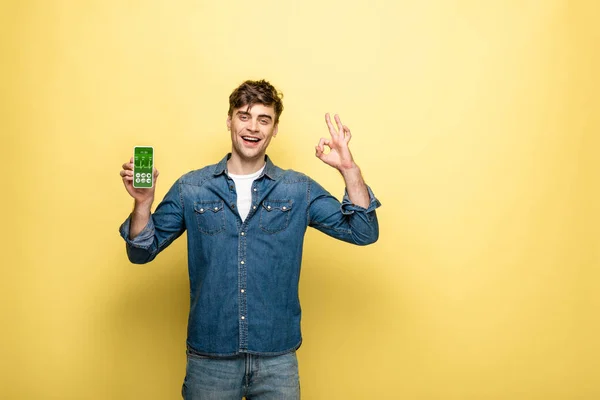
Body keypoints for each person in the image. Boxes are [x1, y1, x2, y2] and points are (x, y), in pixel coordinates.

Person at [119, 79, 381, 399]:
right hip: (210, 360)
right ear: (229, 120)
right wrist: (143, 203)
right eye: (244, 116)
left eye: (263, 119)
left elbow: (363, 232)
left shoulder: (298, 189)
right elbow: (141, 252)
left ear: (274, 129)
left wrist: (349, 169)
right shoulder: (192, 188)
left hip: (277, 360)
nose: (252, 127)